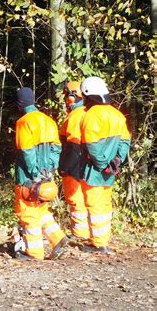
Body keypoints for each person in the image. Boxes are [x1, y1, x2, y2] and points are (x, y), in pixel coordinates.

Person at [14, 87, 69, 260]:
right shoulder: (48, 120)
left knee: (27, 213)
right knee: (41, 210)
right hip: (47, 175)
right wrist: (49, 170)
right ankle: (58, 238)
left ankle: (34, 252)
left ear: (19, 104)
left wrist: (34, 173)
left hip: (28, 178)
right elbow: (57, 148)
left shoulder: (23, 122)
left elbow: (26, 150)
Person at [79, 76, 131, 254]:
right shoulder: (117, 115)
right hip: (110, 170)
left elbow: (92, 146)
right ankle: (102, 239)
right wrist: (117, 161)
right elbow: (125, 141)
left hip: (94, 170)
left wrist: (102, 165)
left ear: (87, 94)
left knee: (94, 205)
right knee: (105, 205)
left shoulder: (90, 116)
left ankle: (98, 244)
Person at [58, 81, 90, 242]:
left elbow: (72, 144)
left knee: (74, 198)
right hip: (84, 162)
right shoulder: (85, 112)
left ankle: (80, 233)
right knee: (84, 198)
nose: (65, 99)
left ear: (73, 96)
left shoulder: (76, 116)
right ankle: (84, 232)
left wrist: (65, 166)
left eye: (67, 95)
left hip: (75, 162)